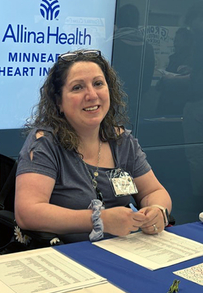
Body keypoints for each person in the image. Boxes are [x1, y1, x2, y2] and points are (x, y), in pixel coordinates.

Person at [15, 49, 172, 243]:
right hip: (66, 258)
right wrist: (97, 219)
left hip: (123, 252)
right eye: (77, 88)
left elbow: (154, 192)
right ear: (59, 102)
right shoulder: (44, 143)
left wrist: (158, 210)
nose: (91, 95)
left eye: (98, 84)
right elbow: (28, 212)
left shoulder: (121, 141)